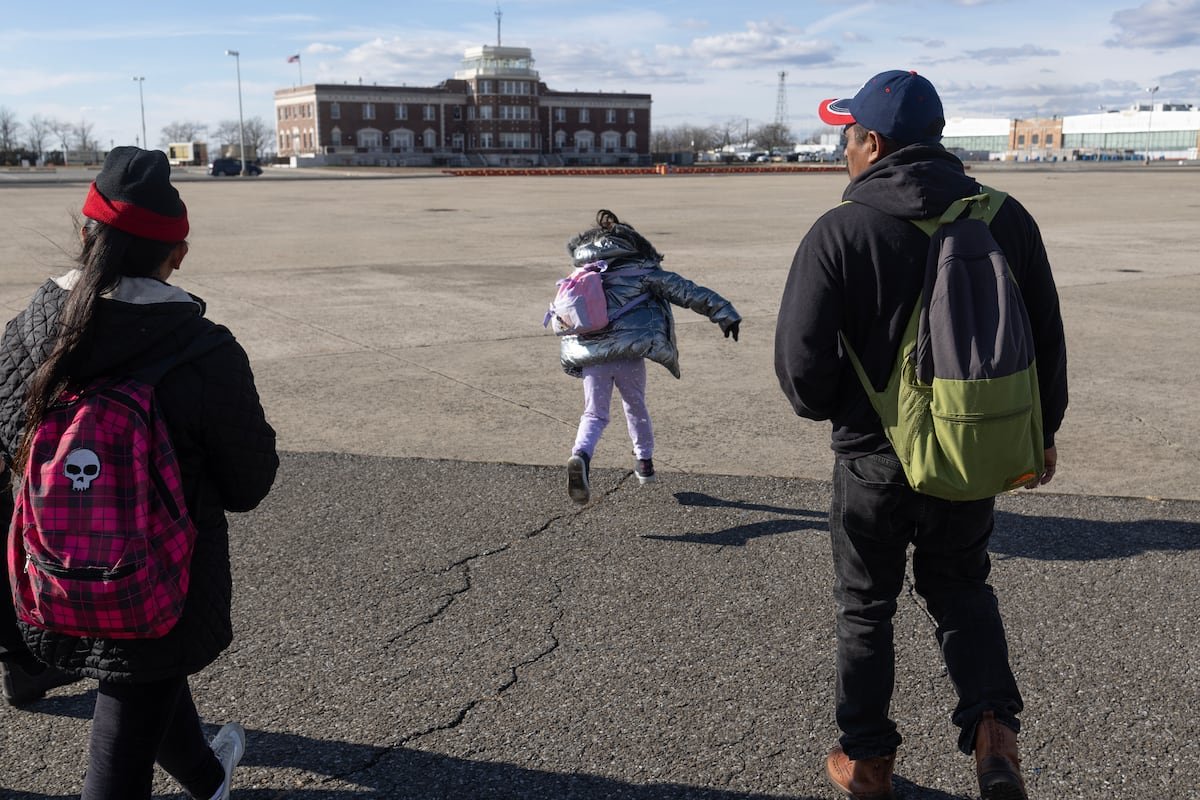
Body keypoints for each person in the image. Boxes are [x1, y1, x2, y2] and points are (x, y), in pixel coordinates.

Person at [774, 71, 1068, 800]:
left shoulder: (839, 231)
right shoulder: (1005, 216)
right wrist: (1043, 433)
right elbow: (1046, 344)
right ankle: (995, 740)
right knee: (962, 587)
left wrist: (856, 411)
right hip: (969, 451)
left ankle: (868, 762)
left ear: (871, 143)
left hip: (873, 459)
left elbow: (801, 373)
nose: (843, 146)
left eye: (847, 134)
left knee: (866, 605)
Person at [0, 146, 279, 800]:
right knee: (132, 707)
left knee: (148, 675)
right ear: (176, 254)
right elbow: (249, 484)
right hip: (164, 582)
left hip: (49, 575)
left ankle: (209, 778)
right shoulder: (203, 351)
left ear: (84, 233)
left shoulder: (24, 332)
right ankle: (208, 777)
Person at [558, 209, 741, 504]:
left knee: (594, 413)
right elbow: (686, 291)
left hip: (591, 356)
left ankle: (581, 455)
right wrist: (724, 313)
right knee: (635, 405)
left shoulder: (581, 273)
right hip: (628, 355)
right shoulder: (642, 271)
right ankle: (644, 462)